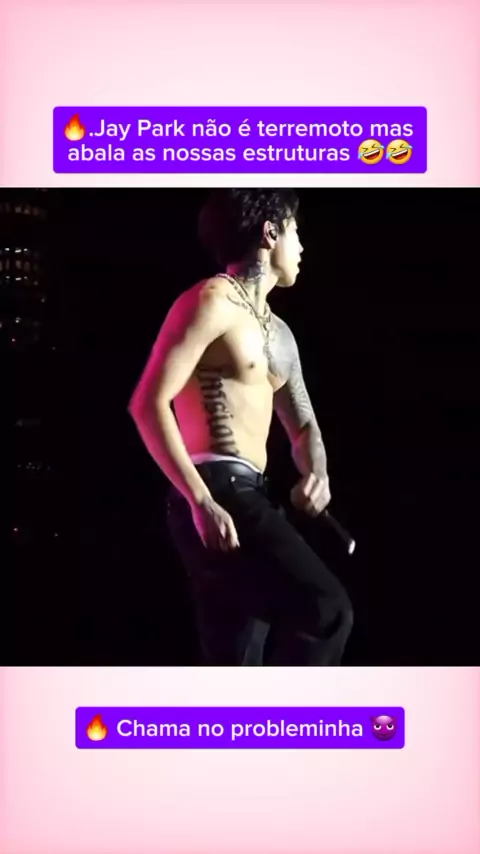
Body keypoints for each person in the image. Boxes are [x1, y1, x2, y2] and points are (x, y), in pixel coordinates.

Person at [128, 189, 353, 666]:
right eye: (296, 232)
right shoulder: (211, 301)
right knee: (327, 610)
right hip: (216, 489)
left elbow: (304, 426)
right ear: (270, 233)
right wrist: (200, 500)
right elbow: (147, 403)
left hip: (251, 494)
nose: (302, 247)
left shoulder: (280, 335)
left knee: (237, 660)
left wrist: (317, 472)